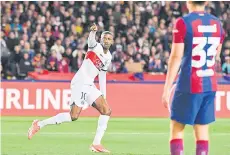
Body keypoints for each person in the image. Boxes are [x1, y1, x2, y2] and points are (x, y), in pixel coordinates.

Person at [28, 23, 113, 153]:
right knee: (73, 116)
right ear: (101, 39)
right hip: (80, 82)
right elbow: (91, 41)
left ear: (112, 42)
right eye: (104, 38)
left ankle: (96, 143)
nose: (106, 40)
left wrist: (103, 94)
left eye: (109, 39)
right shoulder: (95, 47)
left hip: (89, 84)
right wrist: (93, 32)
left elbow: (102, 75)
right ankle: (39, 124)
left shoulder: (108, 57)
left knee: (106, 110)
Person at [162, 1, 225, 155]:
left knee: (177, 129)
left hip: (189, 83)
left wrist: (166, 89)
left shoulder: (183, 22)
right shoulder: (217, 24)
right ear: (207, 2)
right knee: (202, 131)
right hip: (209, 84)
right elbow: (216, 55)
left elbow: (176, 57)